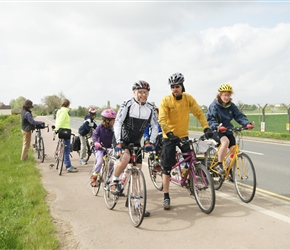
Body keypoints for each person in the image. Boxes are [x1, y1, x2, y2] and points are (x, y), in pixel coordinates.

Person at [159, 72, 213, 210]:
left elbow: (199, 113)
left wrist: (206, 127)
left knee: (191, 159)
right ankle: (166, 196)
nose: (175, 89)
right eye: (172, 87)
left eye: (177, 86)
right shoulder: (166, 100)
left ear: (182, 86)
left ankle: (190, 182)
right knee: (166, 168)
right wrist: (169, 133)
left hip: (183, 135)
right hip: (169, 137)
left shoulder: (188, 99)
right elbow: (162, 119)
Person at [111, 80, 159, 217]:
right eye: (141, 92)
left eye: (146, 93)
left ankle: (137, 205)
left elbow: (155, 126)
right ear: (134, 92)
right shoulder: (127, 104)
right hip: (122, 138)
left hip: (136, 141)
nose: (143, 95)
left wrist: (151, 141)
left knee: (137, 172)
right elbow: (118, 122)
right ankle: (115, 180)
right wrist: (119, 141)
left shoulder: (150, 107)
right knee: (125, 158)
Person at [207, 83, 254, 175]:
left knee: (234, 150)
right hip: (216, 131)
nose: (226, 97)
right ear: (220, 95)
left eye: (228, 95)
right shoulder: (214, 106)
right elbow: (210, 119)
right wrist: (218, 127)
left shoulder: (231, 106)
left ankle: (229, 170)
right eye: (224, 95)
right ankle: (219, 164)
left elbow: (239, 116)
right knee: (226, 142)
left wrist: (246, 123)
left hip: (228, 130)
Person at [90, 109, 116, 187]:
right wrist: (96, 142)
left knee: (112, 163)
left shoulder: (113, 129)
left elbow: (116, 137)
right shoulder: (99, 128)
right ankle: (94, 178)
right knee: (100, 162)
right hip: (100, 148)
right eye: (113, 120)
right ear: (107, 120)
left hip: (109, 148)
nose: (114, 122)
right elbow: (95, 136)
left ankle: (108, 178)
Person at [55, 98, 78, 173]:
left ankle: (63, 162)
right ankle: (68, 166)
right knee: (67, 149)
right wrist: (57, 128)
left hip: (61, 130)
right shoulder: (65, 111)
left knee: (63, 147)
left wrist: (56, 129)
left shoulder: (59, 111)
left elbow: (57, 121)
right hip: (65, 131)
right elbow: (61, 121)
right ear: (68, 105)